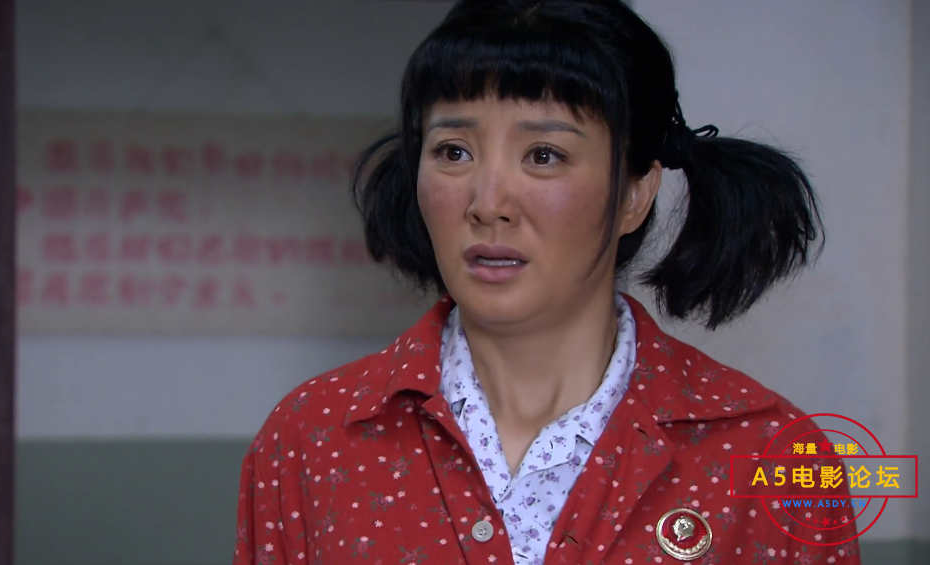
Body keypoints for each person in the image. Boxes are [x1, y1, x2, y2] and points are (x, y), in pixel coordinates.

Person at [233, 1, 862, 564]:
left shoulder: (772, 454)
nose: (487, 203)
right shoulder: (309, 438)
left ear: (634, 194)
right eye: (454, 151)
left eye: (544, 155)